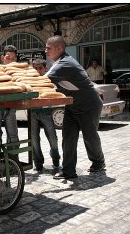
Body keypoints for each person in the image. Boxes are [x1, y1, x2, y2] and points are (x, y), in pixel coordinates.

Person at [44, 35, 105, 180]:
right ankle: (69, 171)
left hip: (89, 105)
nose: (45, 51)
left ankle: (99, 162)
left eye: (48, 48)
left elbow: (43, 80)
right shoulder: (60, 62)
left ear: (59, 48)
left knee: (90, 137)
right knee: (68, 138)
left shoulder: (65, 64)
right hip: (72, 106)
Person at [31, 58, 60, 172]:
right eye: (36, 68)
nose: (38, 70)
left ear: (45, 68)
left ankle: (56, 158)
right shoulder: (29, 80)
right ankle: (38, 163)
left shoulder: (48, 81)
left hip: (46, 113)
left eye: (40, 68)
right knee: (34, 140)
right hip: (33, 113)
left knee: (52, 138)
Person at [0, 45, 19, 153]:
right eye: (8, 58)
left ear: (16, 59)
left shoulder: (18, 72)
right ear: (3, 58)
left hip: (11, 107)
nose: (10, 61)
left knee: (12, 136)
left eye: (13, 59)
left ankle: (13, 162)